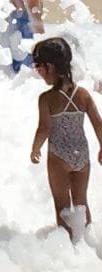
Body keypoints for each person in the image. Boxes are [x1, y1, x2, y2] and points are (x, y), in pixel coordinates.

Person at [31, 37, 102, 241]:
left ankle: (66, 249)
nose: (38, 72)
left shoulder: (47, 99)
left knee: (62, 205)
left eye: (39, 67)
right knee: (81, 203)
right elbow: (98, 124)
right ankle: (88, 243)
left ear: (50, 67)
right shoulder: (83, 95)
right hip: (83, 156)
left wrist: (35, 149)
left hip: (58, 157)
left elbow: (44, 128)